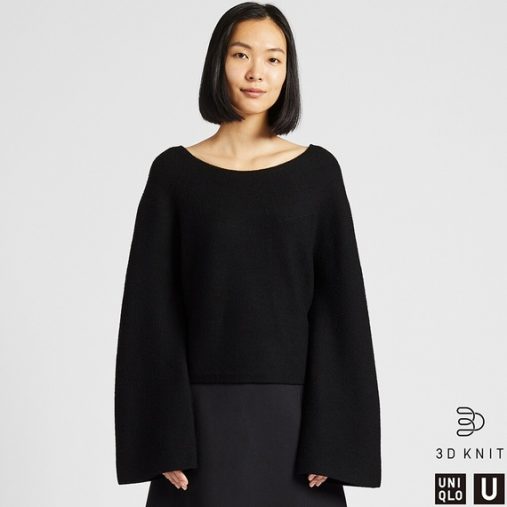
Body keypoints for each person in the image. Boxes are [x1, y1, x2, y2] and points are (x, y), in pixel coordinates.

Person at [114, 2, 381, 506]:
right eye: (242, 55)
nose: (257, 72)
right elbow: (151, 311)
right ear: (218, 62)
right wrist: (161, 438)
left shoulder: (317, 174)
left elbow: (340, 309)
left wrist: (335, 443)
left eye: (274, 59)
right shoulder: (174, 175)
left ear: (288, 71)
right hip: (198, 430)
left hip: (298, 431)